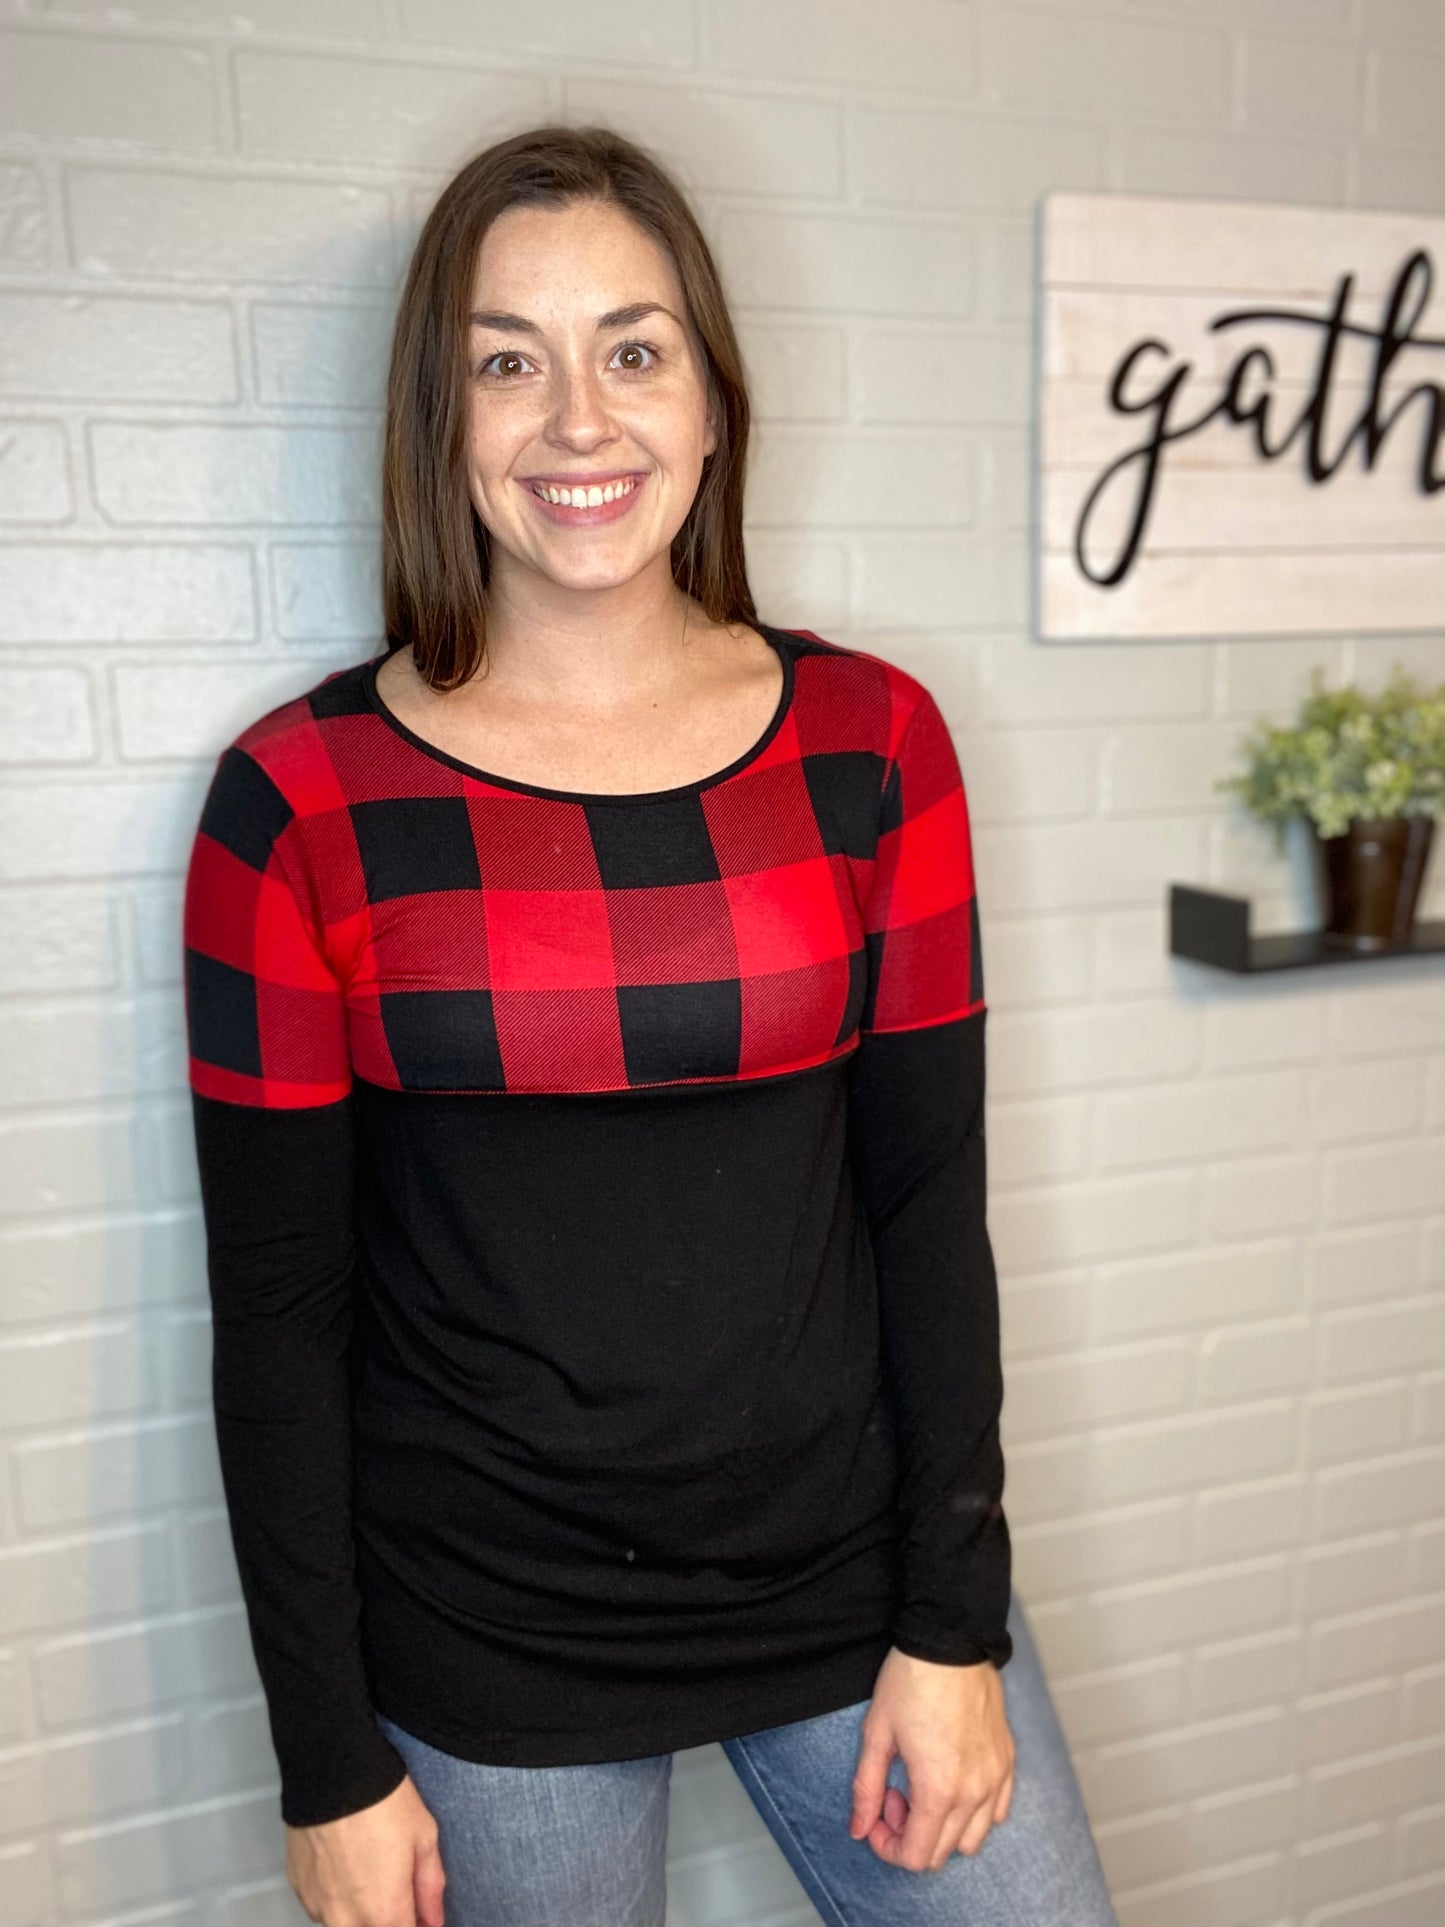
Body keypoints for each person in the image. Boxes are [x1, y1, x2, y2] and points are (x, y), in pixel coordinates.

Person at [181, 124, 1118, 1927]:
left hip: (853, 1591)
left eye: (632, 349)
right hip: (487, 1641)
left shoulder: (874, 746)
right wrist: (329, 1759)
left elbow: (929, 1211)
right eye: (505, 363)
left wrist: (952, 1620)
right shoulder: (294, 805)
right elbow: (279, 1321)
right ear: (439, 422)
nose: (577, 422)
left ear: (707, 398)